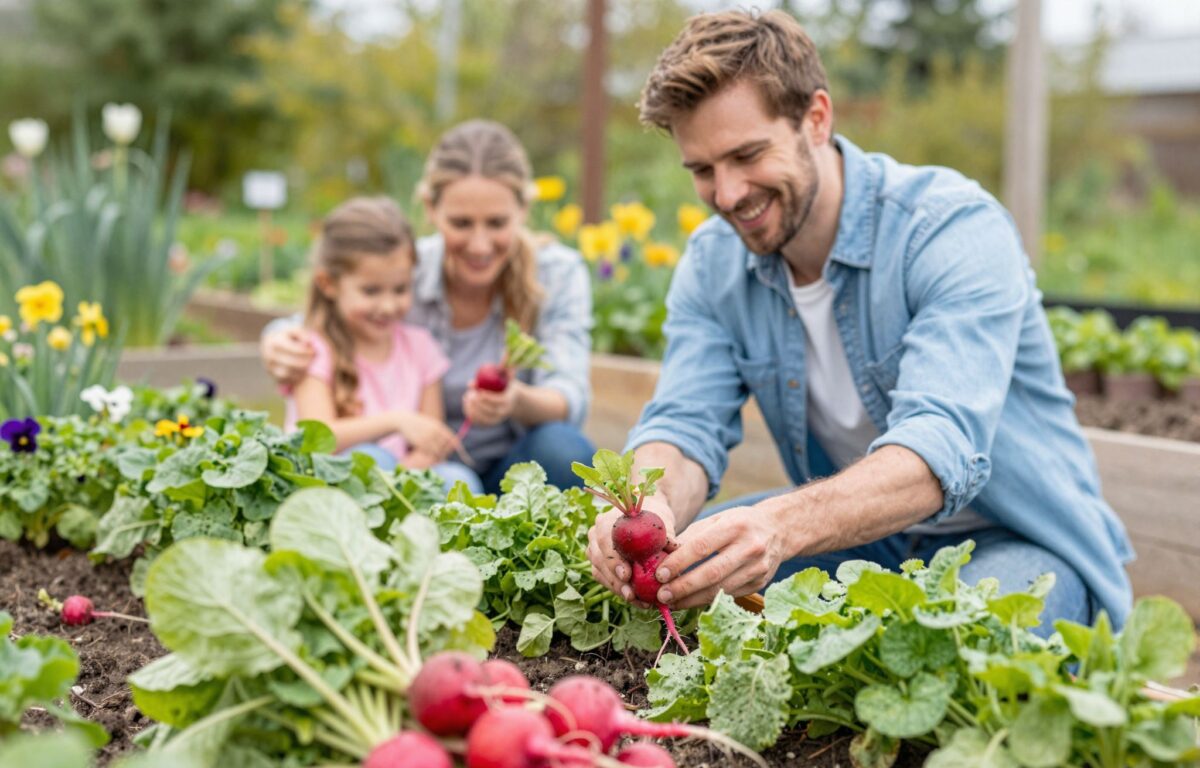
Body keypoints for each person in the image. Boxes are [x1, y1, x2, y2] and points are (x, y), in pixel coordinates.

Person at [586, 10, 1133, 637]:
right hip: (868, 545)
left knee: (964, 653)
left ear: (816, 118)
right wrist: (644, 505)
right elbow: (683, 426)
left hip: (1017, 540)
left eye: (747, 155)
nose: (728, 193)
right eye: (703, 170)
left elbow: (936, 449)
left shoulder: (950, 229)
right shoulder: (715, 264)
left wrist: (780, 525)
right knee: (678, 600)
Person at [263, 120, 596, 494]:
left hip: (510, 462)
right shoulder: (402, 270)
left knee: (565, 449)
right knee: (397, 469)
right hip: (427, 470)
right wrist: (275, 338)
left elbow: (569, 395)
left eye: (497, 223)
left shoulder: (557, 274)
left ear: (523, 209)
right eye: (461, 223)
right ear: (431, 209)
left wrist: (515, 399)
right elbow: (318, 321)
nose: (480, 245)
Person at [284, 196, 479, 490]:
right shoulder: (314, 350)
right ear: (329, 285)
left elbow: (431, 442)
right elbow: (317, 438)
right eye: (371, 291)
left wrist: (402, 479)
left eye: (400, 289)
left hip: (403, 481)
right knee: (371, 459)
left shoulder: (421, 348)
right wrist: (396, 421)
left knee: (459, 481)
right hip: (333, 489)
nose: (388, 306)